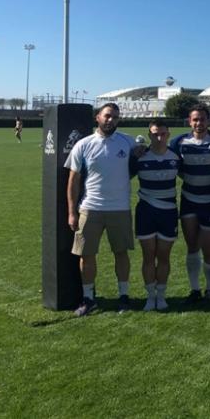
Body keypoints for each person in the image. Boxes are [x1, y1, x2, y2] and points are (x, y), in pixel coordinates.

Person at [66, 103, 138, 316]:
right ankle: (89, 298)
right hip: (90, 209)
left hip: (120, 209)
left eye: (115, 117)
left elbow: (146, 153)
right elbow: (73, 181)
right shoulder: (83, 144)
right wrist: (72, 212)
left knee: (121, 253)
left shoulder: (128, 142)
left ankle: (124, 296)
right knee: (86, 255)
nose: (111, 120)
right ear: (98, 117)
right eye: (107, 116)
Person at [169, 104, 210, 305]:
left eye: (202, 119)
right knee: (192, 246)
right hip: (189, 201)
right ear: (189, 121)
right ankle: (195, 289)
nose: (199, 123)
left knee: (209, 248)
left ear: (209, 120)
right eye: (195, 119)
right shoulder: (179, 142)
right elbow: (168, 158)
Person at [132, 120, 181, 312]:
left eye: (162, 134)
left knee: (164, 256)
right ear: (149, 135)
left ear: (168, 134)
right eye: (155, 134)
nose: (159, 138)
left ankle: (161, 296)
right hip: (146, 211)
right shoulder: (139, 157)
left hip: (168, 212)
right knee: (148, 256)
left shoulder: (176, 157)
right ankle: (150, 296)